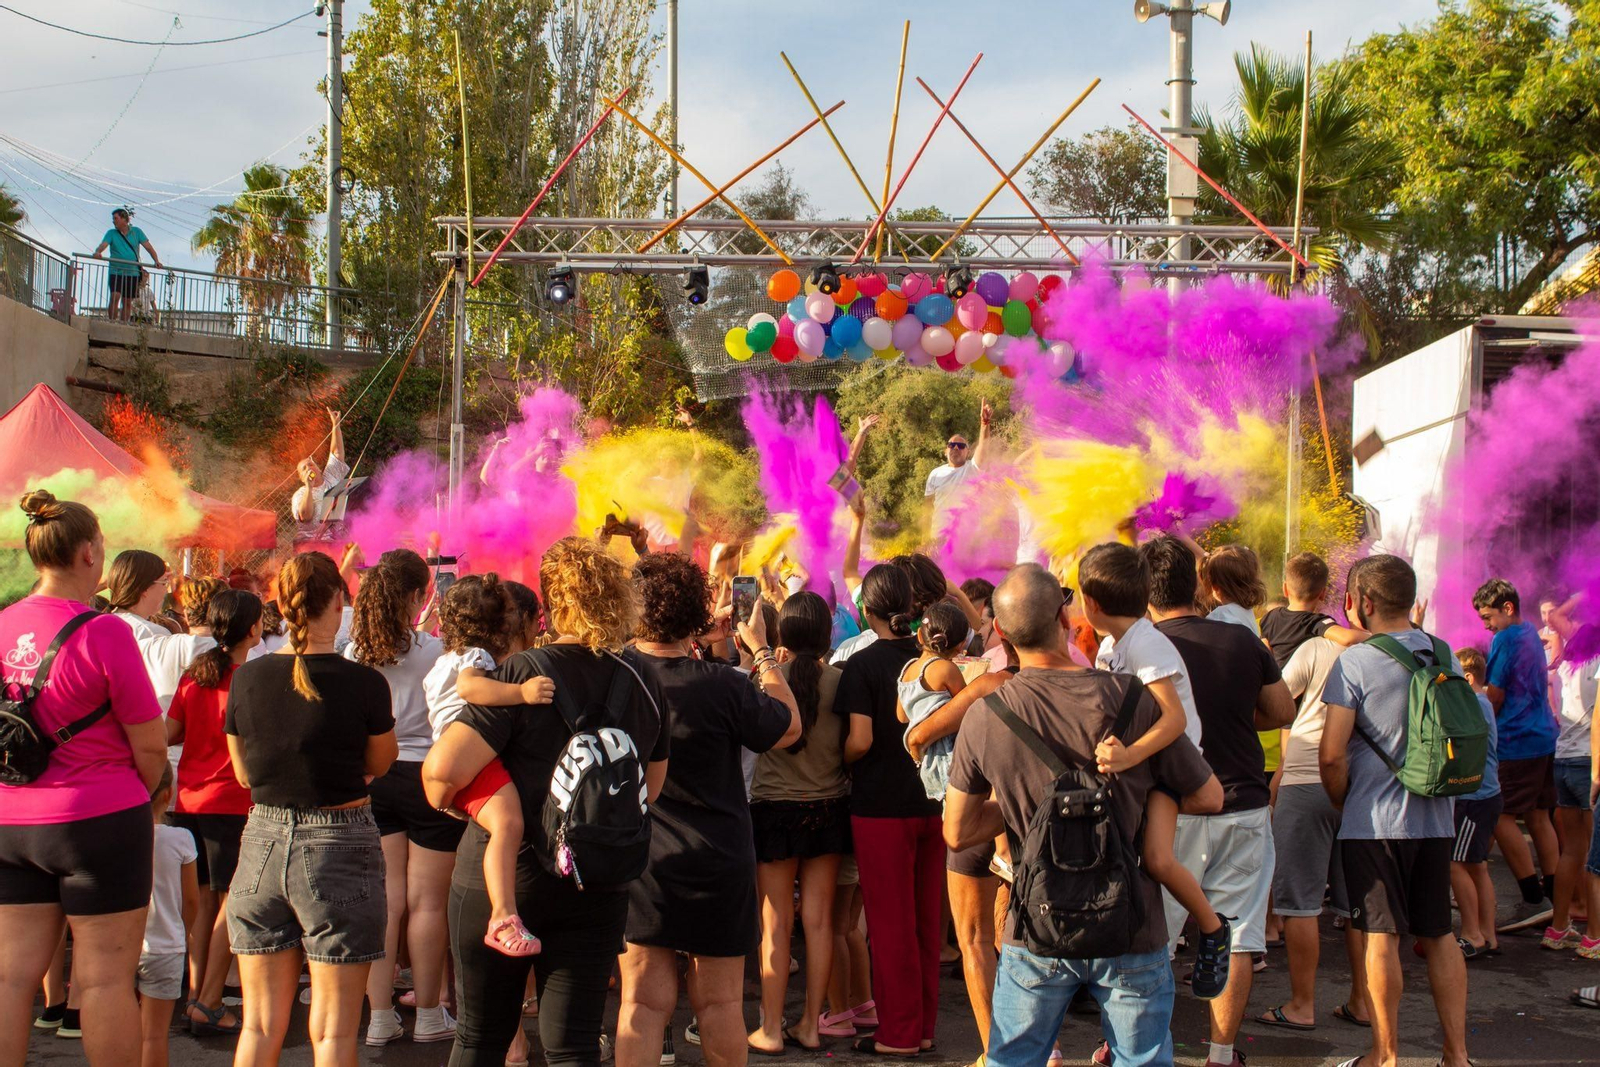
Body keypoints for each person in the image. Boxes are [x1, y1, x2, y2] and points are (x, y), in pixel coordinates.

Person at [944, 564, 1223, 1067]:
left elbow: (958, 831)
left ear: (1001, 633)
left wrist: (1020, 805)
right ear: (1066, 617)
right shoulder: (1133, 698)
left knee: (1013, 1060)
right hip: (1132, 921)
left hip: (1037, 924)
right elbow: (1208, 796)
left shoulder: (987, 715)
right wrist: (1147, 794)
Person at [423, 537, 668, 1067]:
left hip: (507, 879)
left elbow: (440, 775)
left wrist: (471, 805)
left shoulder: (522, 672)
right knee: (574, 1046)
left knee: (480, 1040)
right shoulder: (643, 678)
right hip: (598, 878)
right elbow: (653, 784)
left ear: (552, 602)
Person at [0, 491, 168, 1067]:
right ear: (91, 552)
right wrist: (145, 798)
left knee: (9, 978)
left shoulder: (1, 625)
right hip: (97, 819)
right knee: (102, 982)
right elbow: (150, 744)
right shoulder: (105, 633)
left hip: (9, 818)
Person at [618, 553, 799, 1067]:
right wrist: (760, 649)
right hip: (718, 857)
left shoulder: (618, 676)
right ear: (693, 613)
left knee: (641, 1004)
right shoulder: (722, 684)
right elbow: (787, 727)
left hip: (642, 856)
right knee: (720, 1002)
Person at [223, 549, 399, 1067]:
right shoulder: (365, 682)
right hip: (340, 841)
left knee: (257, 1024)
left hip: (260, 841)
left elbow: (243, 773)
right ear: (339, 603)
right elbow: (382, 761)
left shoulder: (246, 679)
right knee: (335, 1033)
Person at [1141, 535, 1295, 1067]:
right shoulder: (1243, 640)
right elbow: (1281, 710)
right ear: (1197, 586)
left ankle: (1143, 1046)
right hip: (1241, 804)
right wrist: (1231, 713)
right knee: (1236, 933)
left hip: (1168, 812)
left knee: (1154, 937)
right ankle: (1222, 1054)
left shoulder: (1138, 647)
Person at [1320, 554, 1471, 1067]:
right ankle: (1456, 1055)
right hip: (1436, 817)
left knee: (1381, 936)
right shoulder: (1443, 653)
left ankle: (1384, 1057)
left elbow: (1332, 752)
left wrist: (1344, 799)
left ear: (1363, 603)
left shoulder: (1356, 662)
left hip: (1375, 822)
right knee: (1439, 932)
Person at [1082, 543, 1233, 1000]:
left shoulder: (1146, 642)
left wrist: (1127, 758)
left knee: (1158, 859)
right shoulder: (1114, 645)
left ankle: (1213, 928)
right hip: (1146, 762)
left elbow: (1175, 719)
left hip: (1167, 761)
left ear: (1091, 604)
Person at [344, 549, 463, 1046]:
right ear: (418, 596)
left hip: (375, 778)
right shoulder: (435, 651)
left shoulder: (353, 653)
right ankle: (431, 1015)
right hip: (429, 777)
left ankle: (378, 1017)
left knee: (386, 902)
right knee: (428, 903)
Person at [836, 564, 945, 1056]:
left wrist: (841, 759)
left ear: (866, 609)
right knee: (926, 921)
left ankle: (899, 1033)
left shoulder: (862, 665)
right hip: (933, 801)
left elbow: (858, 741)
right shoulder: (931, 659)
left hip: (881, 806)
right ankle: (921, 1028)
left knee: (890, 923)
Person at [422, 573, 555, 973]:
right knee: (509, 825)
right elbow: (470, 690)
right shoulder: (476, 661)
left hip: (459, 759)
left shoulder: (444, 658)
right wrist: (521, 693)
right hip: (471, 757)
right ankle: (503, 916)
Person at [748, 591, 851, 1054]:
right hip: (828, 808)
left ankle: (770, 1028)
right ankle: (811, 1023)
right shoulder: (842, 682)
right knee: (820, 923)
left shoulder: (767, 681)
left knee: (775, 926)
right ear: (827, 636)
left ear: (782, 634)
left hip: (774, 810)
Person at [1254, 624, 1370, 1031]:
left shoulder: (1317, 649)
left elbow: (1276, 703)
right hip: (1364, 786)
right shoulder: (1388, 653)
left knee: (1300, 902)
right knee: (1357, 904)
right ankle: (1362, 1000)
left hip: (1309, 778)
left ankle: (1303, 1005)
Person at [167, 588, 262, 1037]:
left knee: (203, 902)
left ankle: (195, 994)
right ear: (253, 629)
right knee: (232, 900)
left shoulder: (195, 675)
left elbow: (170, 731)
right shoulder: (251, 679)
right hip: (231, 804)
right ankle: (207, 1000)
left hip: (187, 802)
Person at [1473, 577, 1561, 931]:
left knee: (1502, 816)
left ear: (1507, 608)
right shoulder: (1529, 634)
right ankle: (1555, 897)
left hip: (1516, 740)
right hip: (1543, 738)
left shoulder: (1506, 638)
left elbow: (1495, 694)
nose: (1486, 625)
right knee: (1539, 815)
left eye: (1487, 617)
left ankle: (1532, 899)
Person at [1540, 597, 1597, 951]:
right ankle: (1593, 937)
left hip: (1562, 762)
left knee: (1572, 851)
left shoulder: (1565, 669)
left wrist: (1582, 593)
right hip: (1590, 766)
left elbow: (1560, 616)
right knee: (1595, 857)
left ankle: (1558, 929)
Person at [106, 549, 219, 714]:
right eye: (163, 584)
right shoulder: (150, 633)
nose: (166, 592)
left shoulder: (105, 621)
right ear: (144, 589)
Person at [139, 767, 198, 1067]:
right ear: (168, 794)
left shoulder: (115, 836)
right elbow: (191, 900)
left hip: (121, 946)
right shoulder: (180, 838)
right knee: (154, 1035)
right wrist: (182, 929)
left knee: (120, 1026)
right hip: (166, 946)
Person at [1450, 647, 1502, 958]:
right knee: (1477, 867)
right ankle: (1488, 935)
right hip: (1486, 794)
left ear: (1468, 678)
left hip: (1474, 796)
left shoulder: (1475, 705)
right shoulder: (1482, 703)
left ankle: (1472, 934)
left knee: (1454, 864)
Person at [895, 600, 970, 801]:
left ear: (920, 635)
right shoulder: (946, 669)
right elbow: (965, 705)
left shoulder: (907, 670)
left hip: (926, 760)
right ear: (961, 645)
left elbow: (901, 716)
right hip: (950, 754)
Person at [1259, 551, 1368, 670]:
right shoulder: (1315, 622)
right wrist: (1377, 635)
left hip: (1278, 682)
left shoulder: (1270, 617)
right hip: (1304, 684)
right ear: (1323, 594)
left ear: (1285, 588)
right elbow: (1347, 638)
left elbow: (1265, 654)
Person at [922, 399, 993, 539]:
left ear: (967, 452)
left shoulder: (972, 469)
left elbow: (983, 449)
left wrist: (984, 424)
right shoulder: (935, 474)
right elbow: (927, 509)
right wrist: (924, 538)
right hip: (938, 539)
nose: (955, 448)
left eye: (961, 446)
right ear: (945, 451)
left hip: (967, 541)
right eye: (952, 444)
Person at [92, 208, 162, 323]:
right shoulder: (111, 233)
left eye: (116, 218)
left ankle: (123, 324)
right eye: (113, 219)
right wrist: (98, 252)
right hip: (116, 271)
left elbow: (149, 247)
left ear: (125, 219)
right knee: (115, 297)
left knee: (127, 301)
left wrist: (156, 261)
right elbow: (103, 245)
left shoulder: (136, 232)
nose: (113, 221)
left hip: (133, 272)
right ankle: (112, 322)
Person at [291, 407, 350, 529]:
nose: (309, 468)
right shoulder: (300, 494)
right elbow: (305, 516)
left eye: (311, 464)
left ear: (318, 469)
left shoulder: (330, 476)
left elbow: (337, 452)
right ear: (301, 478)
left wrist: (336, 425)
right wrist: (309, 487)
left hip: (341, 538)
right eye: (304, 469)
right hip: (317, 544)